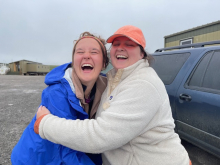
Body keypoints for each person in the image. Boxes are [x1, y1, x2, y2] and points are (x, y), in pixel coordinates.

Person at [34, 25, 191, 165]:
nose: (121, 48)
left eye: (129, 44)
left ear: (142, 54)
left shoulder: (143, 84)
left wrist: (44, 124)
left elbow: (101, 135)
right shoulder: (112, 81)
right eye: (116, 44)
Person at [11, 32, 109, 165]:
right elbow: (67, 148)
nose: (86, 55)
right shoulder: (57, 92)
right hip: (36, 159)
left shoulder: (107, 91)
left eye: (94, 52)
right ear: (74, 61)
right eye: (80, 52)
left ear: (104, 63)